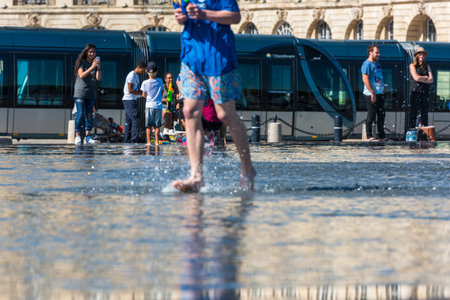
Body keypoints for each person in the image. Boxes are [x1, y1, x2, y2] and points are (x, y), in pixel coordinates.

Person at [172, 0, 256, 192]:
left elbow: (234, 17)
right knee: (190, 111)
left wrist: (204, 14)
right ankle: (196, 175)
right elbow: (180, 15)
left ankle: (247, 169)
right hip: (191, 56)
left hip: (219, 56)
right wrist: (180, 17)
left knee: (225, 114)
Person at [73, 43, 101, 145]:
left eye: (93, 52)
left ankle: (88, 136)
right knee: (80, 114)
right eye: (90, 51)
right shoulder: (82, 63)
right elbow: (81, 75)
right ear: (86, 52)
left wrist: (98, 68)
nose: (92, 53)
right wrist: (92, 67)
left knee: (89, 115)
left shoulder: (95, 63)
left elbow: (98, 78)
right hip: (80, 92)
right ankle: (77, 136)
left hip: (91, 93)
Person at [361, 44, 386, 142]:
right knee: (371, 114)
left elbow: (379, 76)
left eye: (379, 52)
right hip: (370, 94)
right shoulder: (366, 64)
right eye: (377, 52)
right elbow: (365, 79)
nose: (379, 54)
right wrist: (372, 92)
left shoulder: (377, 63)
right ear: (370, 53)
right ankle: (369, 136)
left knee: (381, 115)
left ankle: (382, 136)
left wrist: (383, 87)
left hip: (379, 93)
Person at [409, 46, 434, 128]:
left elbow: (431, 80)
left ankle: (424, 135)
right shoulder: (412, 65)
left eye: (423, 54)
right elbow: (416, 77)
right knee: (413, 114)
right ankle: (411, 132)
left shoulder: (427, 66)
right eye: (420, 54)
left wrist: (421, 78)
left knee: (424, 115)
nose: (421, 55)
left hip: (425, 93)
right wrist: (426, 77)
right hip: (415, 93)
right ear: (416, 55)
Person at [122, 61, 147, 143]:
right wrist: (141, 93)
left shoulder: (135, 75)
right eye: (143, 71)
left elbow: (134, 90)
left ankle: (127, 139)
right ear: (139, 68)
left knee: (128, 120)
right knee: (136, 119)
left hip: (130, 99)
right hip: (129, 100)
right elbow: (130, 90)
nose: (143, 73)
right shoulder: (132, 75)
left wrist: (141, 93)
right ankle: (133, 140)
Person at [141, 62, 164, 146]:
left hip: (149, 105)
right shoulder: (160, 81)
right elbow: (162, 92)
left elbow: (144, 95)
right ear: (157, 71)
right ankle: (157, 142)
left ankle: (149, 142)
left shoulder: (144, 83)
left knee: (148, 126)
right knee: (157, 126)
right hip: (158, 105)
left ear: (147, 71)